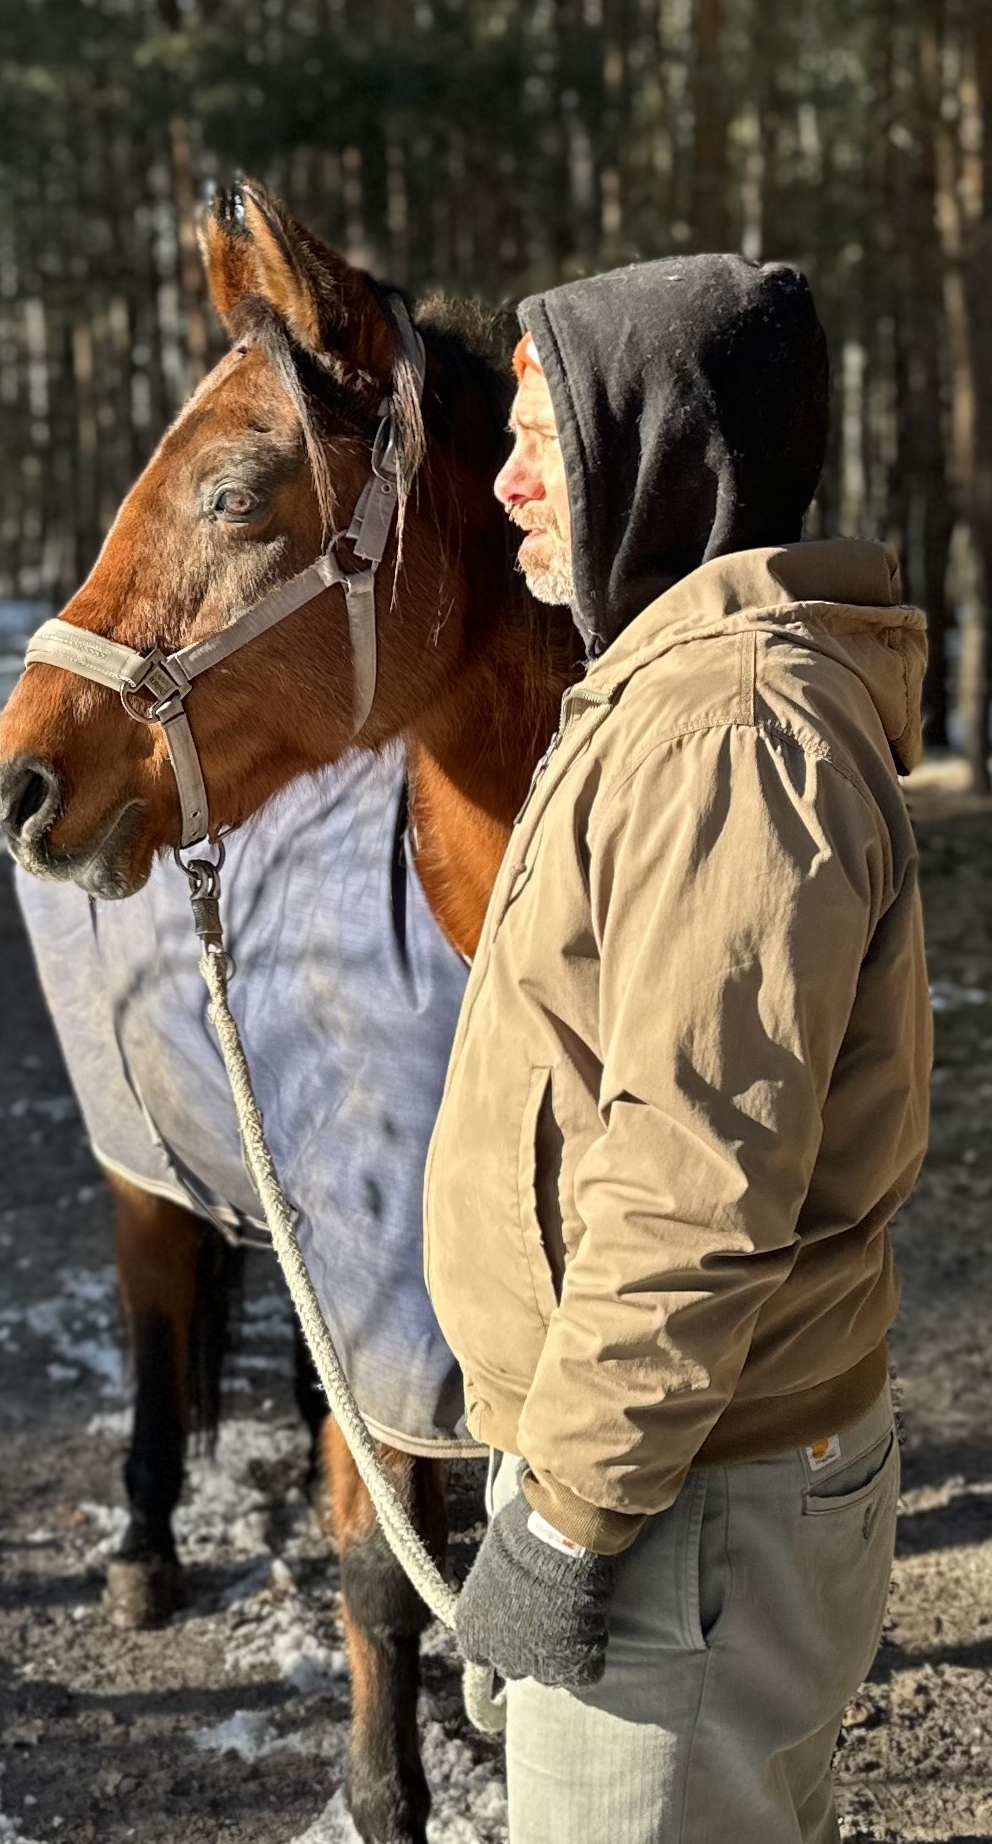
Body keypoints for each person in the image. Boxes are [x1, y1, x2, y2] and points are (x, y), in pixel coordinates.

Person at [423, 255, 932, 1844]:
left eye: (544, 440)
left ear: (662, 451)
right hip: (671, 1480)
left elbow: (692, 1184)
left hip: (676, 1509)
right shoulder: (670, 688)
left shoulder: (730, 731)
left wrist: (565, 1523)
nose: (503, 483)